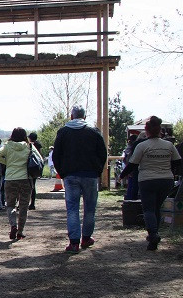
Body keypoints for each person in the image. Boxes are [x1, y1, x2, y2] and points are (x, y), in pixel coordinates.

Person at [120, 116, 182, 250]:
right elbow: (178, 162)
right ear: (160, 130)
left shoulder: (142, 146)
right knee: (157, 207)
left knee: (148, 209)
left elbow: (132, 164)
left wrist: (122, 175)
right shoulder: (169, 145)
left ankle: (153, 234)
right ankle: (155, 232)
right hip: (166, 180)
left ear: (146, 131)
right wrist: (170, 170)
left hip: (147, 180)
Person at [52, 106, 107, 253]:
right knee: (90, 209)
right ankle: (86, 238)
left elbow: (56, 154)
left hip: (70, 175)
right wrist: (98, 171)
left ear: (71, 116)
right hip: (90, 174)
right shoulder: (93, 131)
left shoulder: (63, 132)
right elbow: (103, 153)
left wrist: (62, 172)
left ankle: (74, 242)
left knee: (72, 209)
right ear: (84, 116)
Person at [0, 128, 41, 240]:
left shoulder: (8, 146)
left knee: (10, 204)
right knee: (24, 206)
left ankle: (13, 225)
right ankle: (20, 231)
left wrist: (8, 163)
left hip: (10, 178)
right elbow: (39, 158)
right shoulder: (29, 146)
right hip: (25, 178)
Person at [27, 132, 43, 210]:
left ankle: (24, 203)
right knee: (33, 186)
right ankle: (32, 203)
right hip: (35, 167)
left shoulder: (28, 145)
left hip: (28, 167)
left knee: (26, 186)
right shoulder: (38, 144)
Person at [123, 134, 140, 200]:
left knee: (132, 185)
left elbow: (126, 159)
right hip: (134, 168)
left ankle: (130, 198)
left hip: (130, 168)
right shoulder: (135, 147)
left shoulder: (129, 148)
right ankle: (131, 198)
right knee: (133, 185)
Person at [0, 137, 6, 208]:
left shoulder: (1, 150)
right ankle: (1, 202)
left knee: (1, 189)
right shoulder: (2, 149)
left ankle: (1, 203)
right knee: (1, 189)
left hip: (2, 172)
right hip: (2, 171)